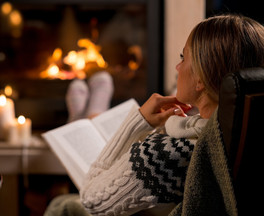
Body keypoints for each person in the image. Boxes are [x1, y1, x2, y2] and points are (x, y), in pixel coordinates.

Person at [44, 14, 264, 216]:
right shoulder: (243, 132)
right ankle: (90, 114)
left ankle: (85, 116)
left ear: (200, 79)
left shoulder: (170, 153)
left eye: (183, 58)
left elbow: (91, 200)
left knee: (62, 205)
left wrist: (138, 122)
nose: (178, 67)